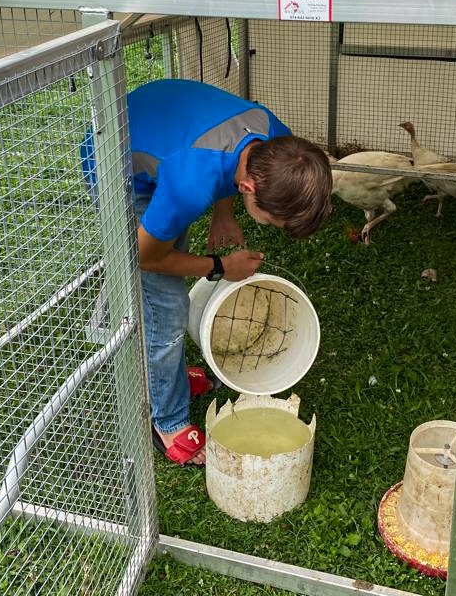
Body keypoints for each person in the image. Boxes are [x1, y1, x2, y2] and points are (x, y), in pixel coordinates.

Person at [81, 78, 333, 466]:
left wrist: (224, 213)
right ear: (249, 186)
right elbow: (145, 258)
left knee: (172, 240)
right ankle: (167, 422)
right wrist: (220, 267)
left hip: (166, 133)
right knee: (165, 305)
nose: (270, 227)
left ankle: (171, 378)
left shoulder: (281, 144)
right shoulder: (189, 184)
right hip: (114, 158)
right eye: (272, 222)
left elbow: (233, 154)